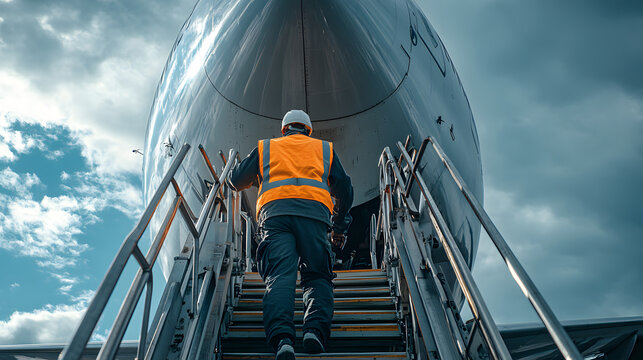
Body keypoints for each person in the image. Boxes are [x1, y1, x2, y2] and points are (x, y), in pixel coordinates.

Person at [228, 110, 353, 360]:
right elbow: (345, 190)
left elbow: (235, 181)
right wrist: (339, 227)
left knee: (279, 275)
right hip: (314, 217)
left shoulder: (267, 148)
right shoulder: (324, 149)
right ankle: (314, 331)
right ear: (308, 130)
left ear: (284, 129)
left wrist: (258, 179)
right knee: (318, 275)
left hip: (275, 216)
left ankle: (283, 339)